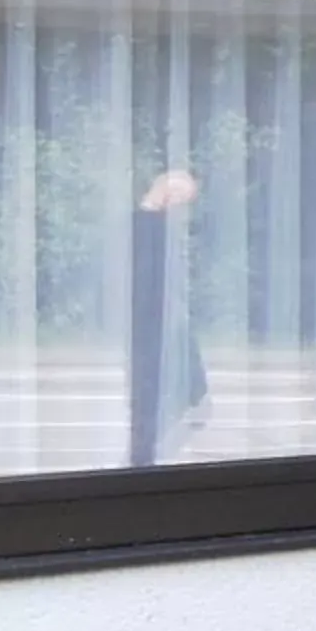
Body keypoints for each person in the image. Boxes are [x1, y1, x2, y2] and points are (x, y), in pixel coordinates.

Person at [127, 166, 208, 467]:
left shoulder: (151, 224)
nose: (183, 210)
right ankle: (143, 455)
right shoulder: (148, 226)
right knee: (152, 393)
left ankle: (146, 451)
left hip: (158, 323)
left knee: (168, 392)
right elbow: (146, 281)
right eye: (183, 200)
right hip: (150, 325)